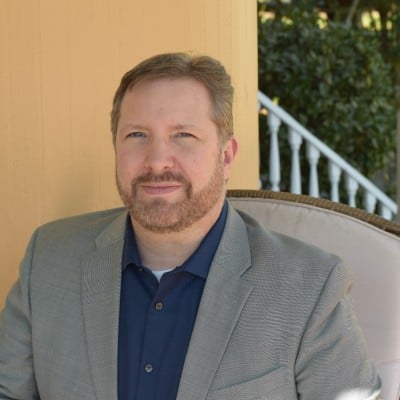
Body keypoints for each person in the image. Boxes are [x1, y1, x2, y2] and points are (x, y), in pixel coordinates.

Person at [0, 52, 381, 400]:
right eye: (136, 135)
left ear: (226, 156)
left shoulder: (310, 287)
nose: (157, 160)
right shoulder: (48, 258)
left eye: (184, 135)